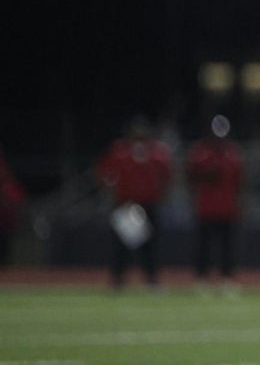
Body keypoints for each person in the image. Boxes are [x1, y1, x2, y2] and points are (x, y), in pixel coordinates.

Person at [94, 117, 172, 289]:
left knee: (150, 246)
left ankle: (151, 278)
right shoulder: (120, 152)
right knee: (121, 244)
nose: (140, 137)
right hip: (125, 205)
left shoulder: (158, 154)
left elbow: (167, 176)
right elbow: (103, 172)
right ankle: (117, 278)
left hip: (148, 204)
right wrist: (110, 191)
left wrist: (163, 195)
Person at [186, 116, 243, 287]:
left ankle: (227, 278)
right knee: (204, 246)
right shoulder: (200, 153)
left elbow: (240, 183)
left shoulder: (233, 154)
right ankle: (202, 278)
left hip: (227, 208)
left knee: (227, 247)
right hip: (206, 207)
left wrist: (241, 203)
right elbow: (191, 179)